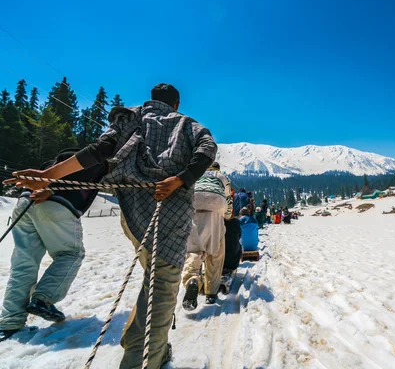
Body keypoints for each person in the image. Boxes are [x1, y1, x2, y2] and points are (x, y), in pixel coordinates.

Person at [9, 84, 217, 368]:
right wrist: (180, 179)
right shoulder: (189, 125)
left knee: (152, 276)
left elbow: (99, 150)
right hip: (170, 211)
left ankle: (148, 347)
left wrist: (49, 175)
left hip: (132, 212)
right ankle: (141, 359)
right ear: (176, 104)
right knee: (162, 283)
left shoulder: (129, 117)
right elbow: (208, 150)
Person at [0, 149, 107, 342]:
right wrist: (53, 188)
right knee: (71, 254)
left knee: (24, 262)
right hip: (55, 204)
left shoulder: (53, 163)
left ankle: (10, 321)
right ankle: (44, 299)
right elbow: (83, 168)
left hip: (25, 201)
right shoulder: (94, 158)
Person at [181, 162, 232, 308]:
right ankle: (211, 293)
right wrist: (227, 216)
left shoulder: (198, 173)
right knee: (215, 251)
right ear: (217, 169)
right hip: (216, 204)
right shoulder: (222, 177)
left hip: (194, 202)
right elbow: (228, 200)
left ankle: (192, 281)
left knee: (193, 248)